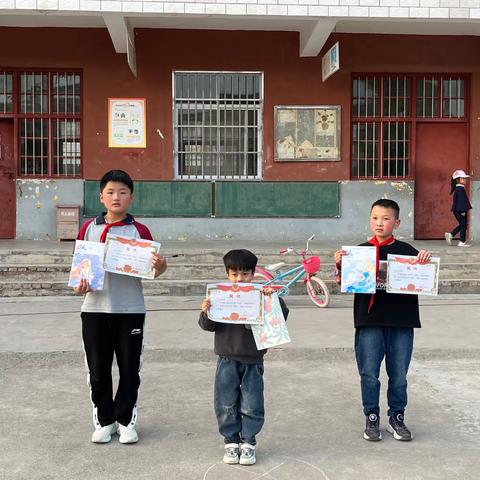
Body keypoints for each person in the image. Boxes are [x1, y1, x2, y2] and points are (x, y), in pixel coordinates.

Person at [74, 169, 167, 444]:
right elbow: (80, 267)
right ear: (101, 196)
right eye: (111, 192)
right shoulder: (89, 228)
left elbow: (152, 270)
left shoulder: (140, 231)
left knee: (129, 369)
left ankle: (125, 420)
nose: (117, 197)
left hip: (130, 310)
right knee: (98, 369)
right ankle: (105, 421)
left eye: (123, 192)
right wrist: (81, 282)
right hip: (94, 309)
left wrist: (160, 267)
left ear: (131, 198)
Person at [335, 199, 431, 442]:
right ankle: (372, 416)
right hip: (369, 321)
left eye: (386, 218)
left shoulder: (408, 252)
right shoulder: (357, 252)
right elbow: (343, 282)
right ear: (370, 220)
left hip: (401, 321)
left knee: (398, 374)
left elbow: (422, 277)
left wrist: (424, 261)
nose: (380, 223)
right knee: (369, 373)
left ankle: (396, 417)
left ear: (396, 223)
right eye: (375, 217)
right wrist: (340, 264)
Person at [199, 249, 289, 465]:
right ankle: (230, 441)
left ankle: (248, 441)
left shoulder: (261, 295)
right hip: (226, 357)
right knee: (225, 401)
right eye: (234, 274)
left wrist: (272, 300)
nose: (240, 279)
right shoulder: (219, 296)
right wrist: (206, 310)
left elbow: (281, 318)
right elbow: (207, 325)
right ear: (227, 274)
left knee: (252, 402)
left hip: (253, 358)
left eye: (246, 274)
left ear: (253, 273)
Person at [445, 169, 472, 248]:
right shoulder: (460, 189)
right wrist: (463, 211)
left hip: (458, 210)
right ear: (457, 180)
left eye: (465, 178)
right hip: (460, 210)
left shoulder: (459, 188)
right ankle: (461, 242)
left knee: (463, 225)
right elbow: (461, 201)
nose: (465, 180)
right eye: (463, 178)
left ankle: (451, 234)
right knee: (463, 225)